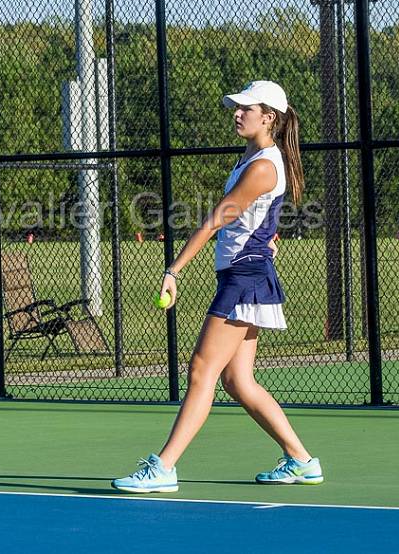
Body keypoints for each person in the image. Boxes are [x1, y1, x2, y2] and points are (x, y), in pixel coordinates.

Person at [112, 80, 322, 493]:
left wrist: (173, 270)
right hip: (246, 273)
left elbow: (215, 221)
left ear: (270, 118)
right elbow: (262, 216)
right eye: (237, 107)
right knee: (237, 381)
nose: (238, 113)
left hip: (244, 279)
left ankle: (164, 467)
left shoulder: (263, 166)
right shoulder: (254, 160)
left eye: (247, 108)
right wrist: (265, 239)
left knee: (201, 371)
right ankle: (301, 460)